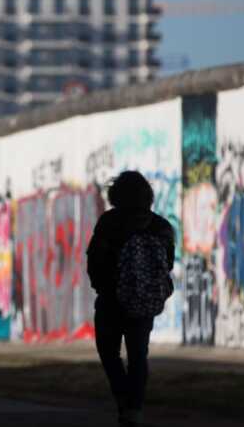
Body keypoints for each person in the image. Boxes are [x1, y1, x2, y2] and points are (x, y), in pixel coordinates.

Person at [86, 170, 175, 427]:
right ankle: (134, 409)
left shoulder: (109, 223)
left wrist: (102, 286)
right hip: (143, 302)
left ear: (117, 194)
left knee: (108, 352)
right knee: (138, 357)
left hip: (111, 301)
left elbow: (95, 260)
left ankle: (123, 400)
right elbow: (167, 265)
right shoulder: (161, 227)